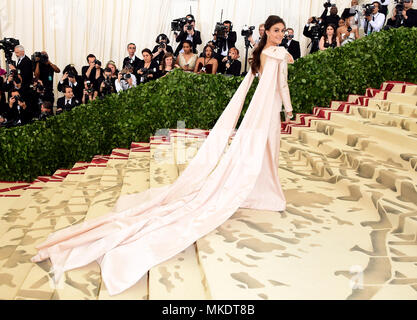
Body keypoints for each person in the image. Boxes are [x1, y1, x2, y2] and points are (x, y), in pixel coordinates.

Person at [31, 14, 294, 297]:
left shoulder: (263, 53)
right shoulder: (278, 53)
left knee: (256, 149)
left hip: (259, 109)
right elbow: (281, 86)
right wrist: (288, 110)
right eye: (276, 30)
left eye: (282, 31)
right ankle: (265, 190)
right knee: (264, 148)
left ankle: (261, 188)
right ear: (267, 31)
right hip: (267, 110)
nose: (281, 34)